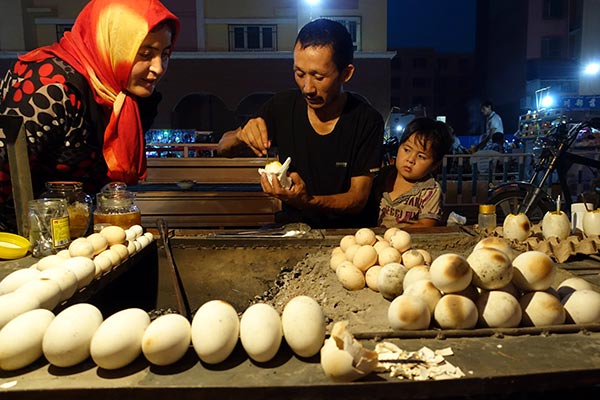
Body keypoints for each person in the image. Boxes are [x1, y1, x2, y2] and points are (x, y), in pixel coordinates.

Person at [0, 0, 180, 232]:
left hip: (66, 236)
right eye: (145, 54)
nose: (158, 68)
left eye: (165, 54)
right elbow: (4, 172)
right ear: (111, 45)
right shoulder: (49, 87)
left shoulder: (121, 96)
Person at [217, 18, 384, 228]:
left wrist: (308, 201)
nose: (307, 88)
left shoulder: (366, 120)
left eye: (318, 77)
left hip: (348, 234)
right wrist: (241, 135)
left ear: (346, 73)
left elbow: (357, 199)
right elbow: (223, 148)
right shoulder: (282, 106)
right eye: (299, 73)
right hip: (293, 228)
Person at [373, 117, 453, 228]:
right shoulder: (384, 176)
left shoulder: (429, 190)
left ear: (435, 165)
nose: (410, 159)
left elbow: (427, 224)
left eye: (421, 156)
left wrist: (395, 236)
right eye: (406, 150)